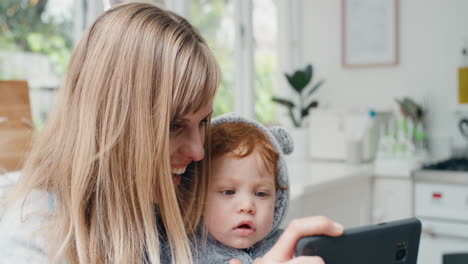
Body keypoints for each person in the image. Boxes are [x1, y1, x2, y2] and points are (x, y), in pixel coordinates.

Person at [0, 2, 343, 264]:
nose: (197, 151)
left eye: (203, 123)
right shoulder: (33, 236)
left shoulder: (167, 207)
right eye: (174, 126)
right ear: (111, 122)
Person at [195, 113, 292, 264]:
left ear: (278, 202)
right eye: (228, 192)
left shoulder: (289, 247)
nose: (247, 206)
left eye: (261, 194)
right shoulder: (183, 254)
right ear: (197, 199)